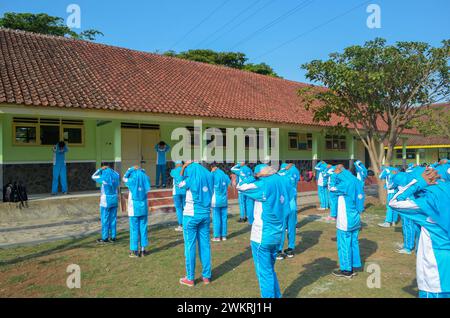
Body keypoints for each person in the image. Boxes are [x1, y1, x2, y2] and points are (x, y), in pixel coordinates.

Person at [389, 168, 450, 298]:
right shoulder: (445, 195)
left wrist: (418, 183)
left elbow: (394, 203)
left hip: (435, 274)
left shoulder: (427, 205)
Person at [237, 164, 292, 298]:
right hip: (277, 234)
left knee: (264, 274)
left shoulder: (263, 184)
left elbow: (240, 186)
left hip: (262, 236)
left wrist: (252, 176)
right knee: (269, 271)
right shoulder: (280, 180)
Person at [178, 161, 213, 287]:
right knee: (205, 245)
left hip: (191, 216)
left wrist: (183, 167)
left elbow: (179, 182)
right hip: (205, 215)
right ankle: (206, 276)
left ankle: (190, 278)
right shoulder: (209, 178)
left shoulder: (190, 180)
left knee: (190, 246)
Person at [329, 165, 364, 278]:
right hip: (355, 217)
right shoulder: (356, 181)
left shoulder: (344, 184)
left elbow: (331, 188)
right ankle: (353, 266)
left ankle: (346, 270)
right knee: (353, 242)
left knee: (344, 244)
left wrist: (334, 175)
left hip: (345, 219)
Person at [123, 166, 151, 258]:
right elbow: (147, 186)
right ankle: (143, 250)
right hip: (143, 206)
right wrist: (140, 170)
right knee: (143, 229)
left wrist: (130, 169)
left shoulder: (132, 179)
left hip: (134, 208)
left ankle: (134, 251)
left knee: (134, 229)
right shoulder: (145, 178)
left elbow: (124, 178)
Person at [276, 162, 300, 259]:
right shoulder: (291, 179)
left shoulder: (278, 178)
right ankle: (290, 249)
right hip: (292, 205)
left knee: (281, 228)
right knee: (291, 227)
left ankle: (278, 251)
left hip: (283, 206)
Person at [92, 166, 120, 243]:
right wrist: (111, 169)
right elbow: (117, 174)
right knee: (113, 219)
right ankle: (113, 237)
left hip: (105, 201)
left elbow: (93, 176)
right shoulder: (116, 178)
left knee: (105, 219)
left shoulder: (103, 179)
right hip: (114, 199)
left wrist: (101, 169)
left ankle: (105, 238)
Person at [211, 164, 231, 241]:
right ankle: (224, 236)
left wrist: (212, 172)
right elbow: (229, 184)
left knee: (216, 219)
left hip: (216, 200)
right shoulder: (224, 175)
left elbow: (208, 180)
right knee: (224, 218)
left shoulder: (213, 174)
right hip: (224, 200)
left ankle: (217, 236)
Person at [170, 161, 186, 232]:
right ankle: (186, 224)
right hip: (185, 191)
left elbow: (172, 175)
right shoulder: (185, 170)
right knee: (185, 208)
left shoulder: (173, 171)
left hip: (176, 192)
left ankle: (180, 225)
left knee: (179, 209)